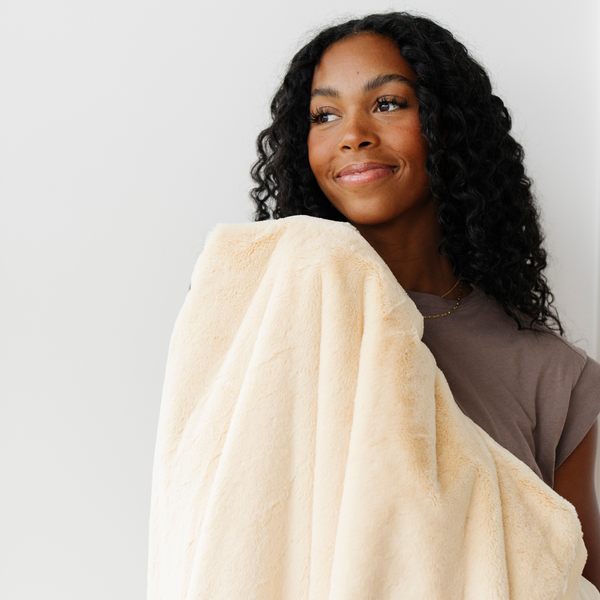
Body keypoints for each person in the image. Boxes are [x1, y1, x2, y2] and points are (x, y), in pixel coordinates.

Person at [249, 12, 600, 589]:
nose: (353, 133)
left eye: (387, 103)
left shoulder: (553, 376)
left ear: (449, 125)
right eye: (324, 114)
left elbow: (574, 578)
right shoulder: (272, 313)